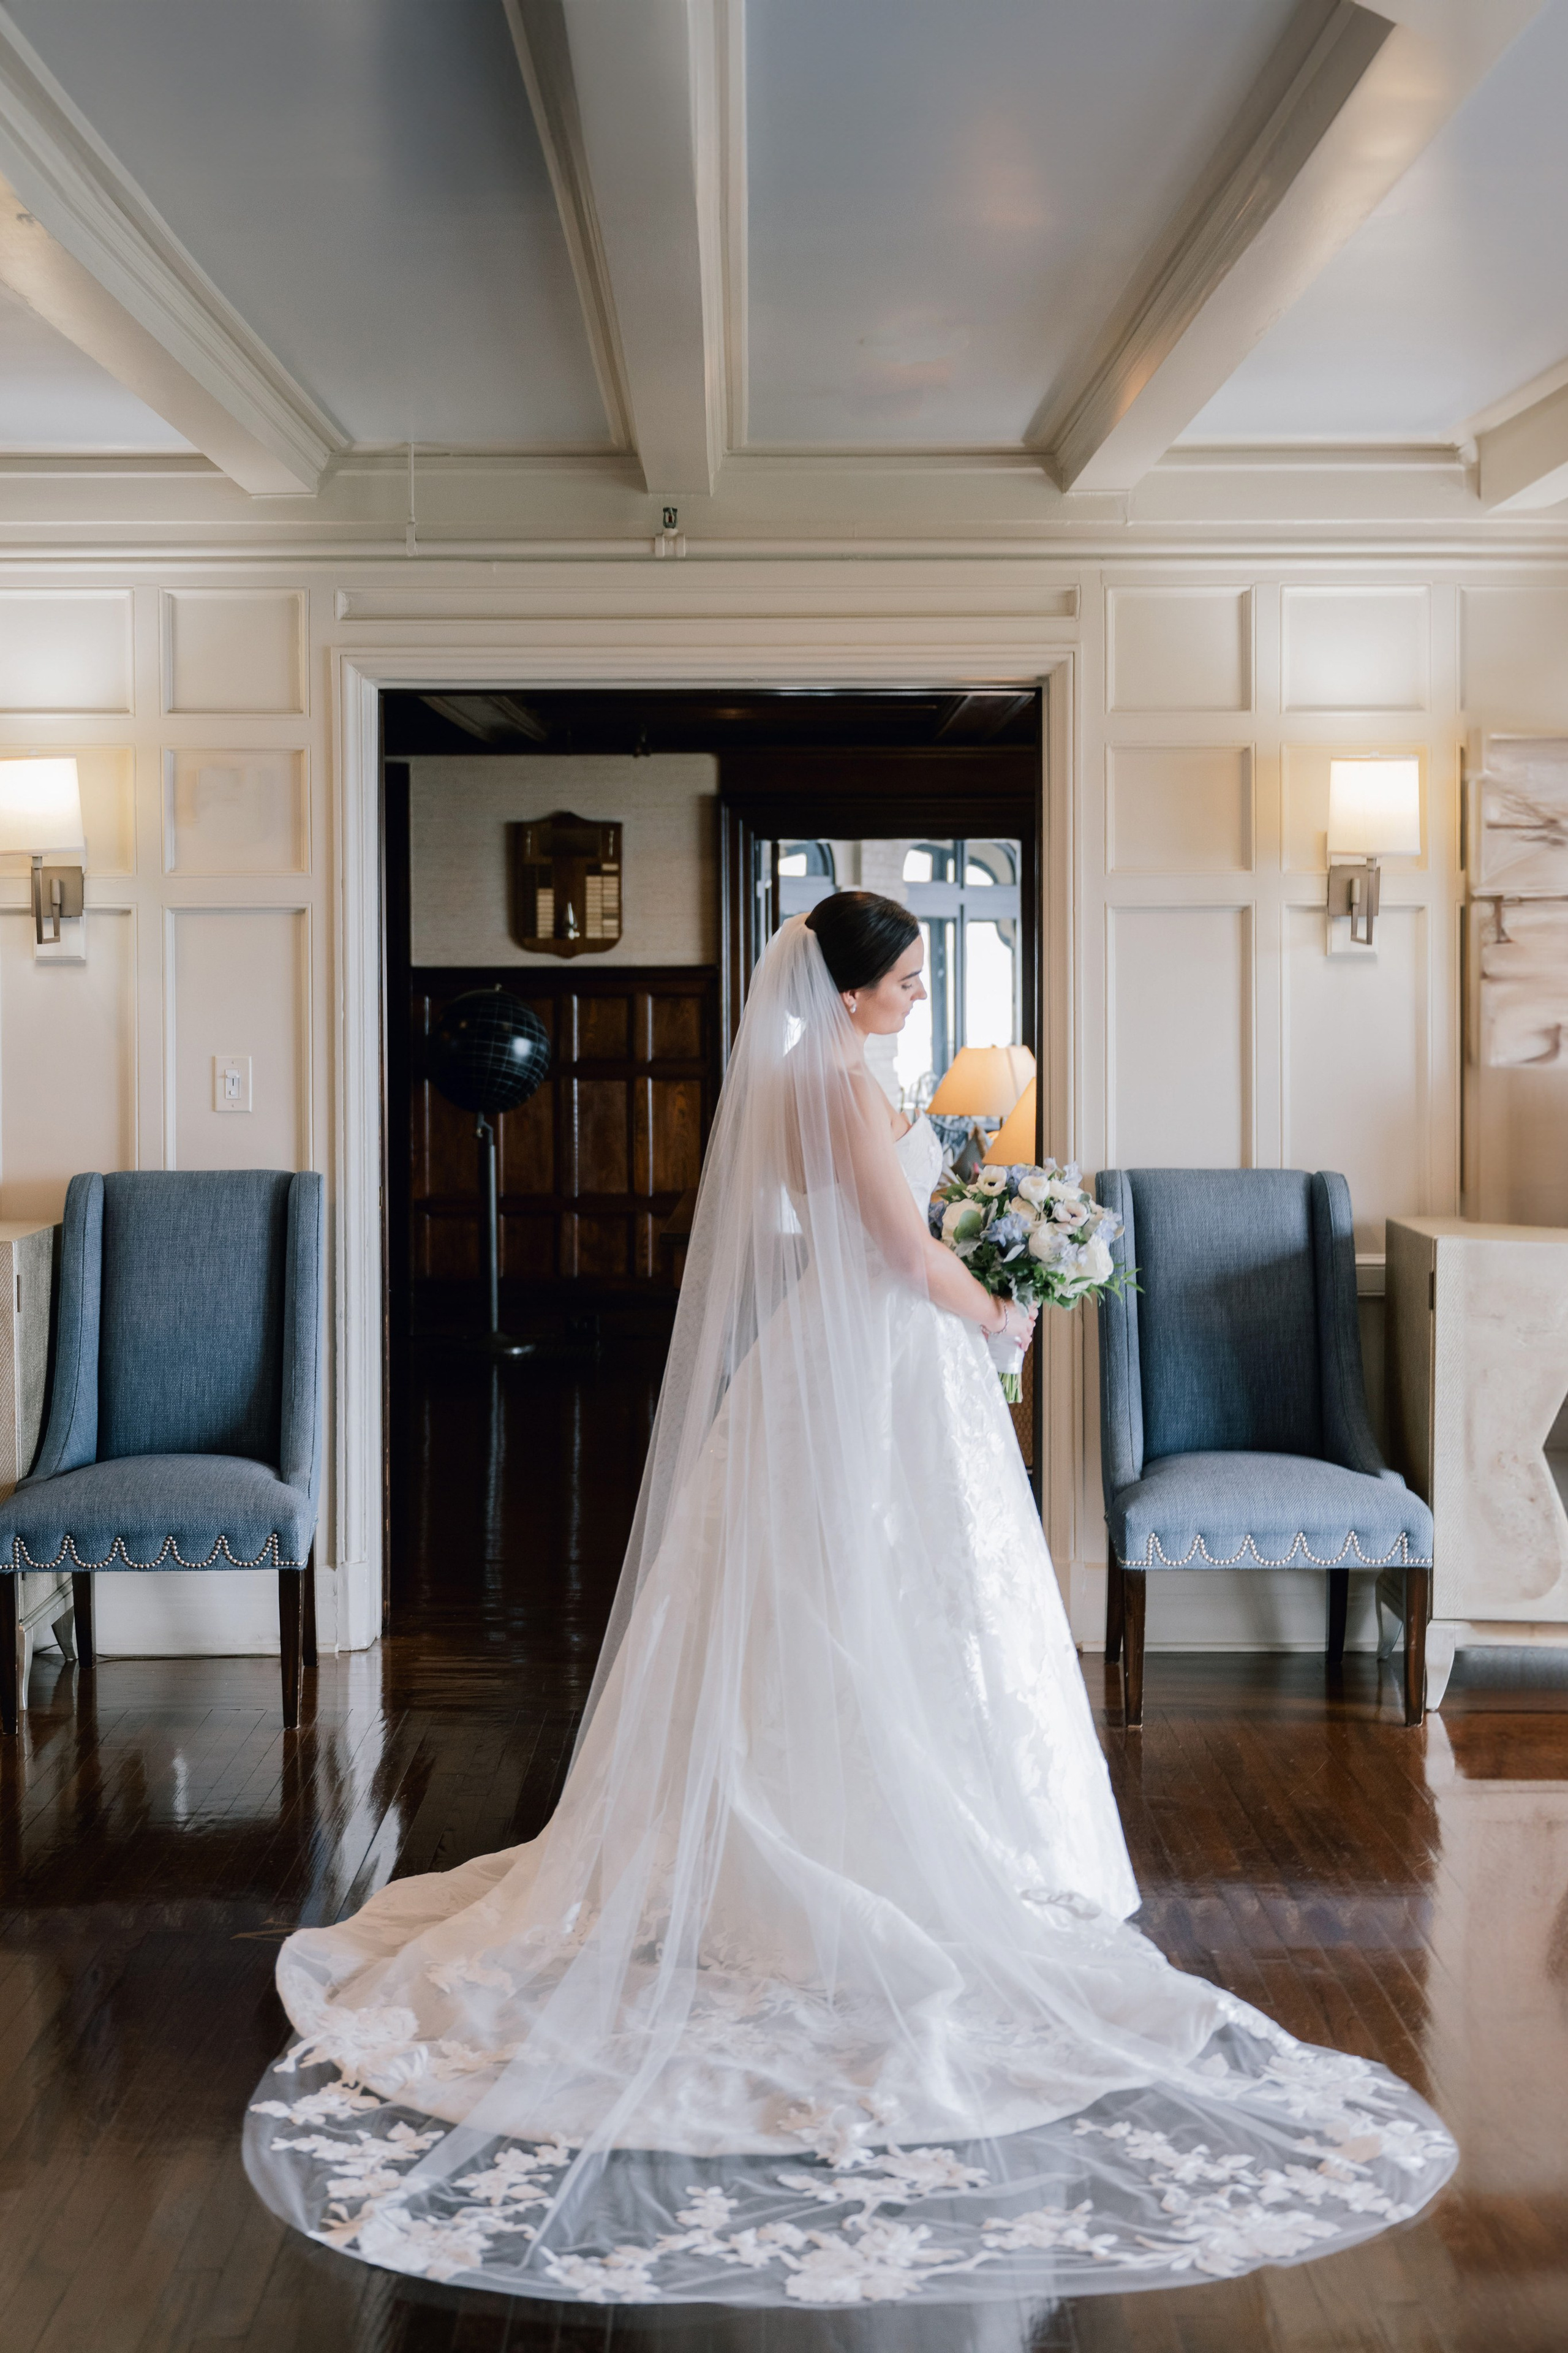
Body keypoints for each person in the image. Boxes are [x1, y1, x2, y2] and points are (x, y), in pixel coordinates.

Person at [246, 894, 1455, 2306]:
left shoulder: (859, 1073)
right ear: (847, 986)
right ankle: (846, 1853)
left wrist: (998, 1249)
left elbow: (919, 1220)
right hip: (865, 1363)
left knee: (926, 1607)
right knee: (847, 1603)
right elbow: (895, 1250)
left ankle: (969, 1830)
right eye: (899, 976)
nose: (913, 992)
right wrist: (997, 1311)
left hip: (884, 1367)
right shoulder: (824, 1080)